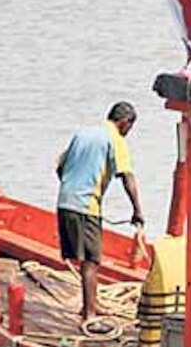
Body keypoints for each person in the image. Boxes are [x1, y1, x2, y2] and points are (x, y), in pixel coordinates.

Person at [55, 101, 145, 326]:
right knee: (91, 261)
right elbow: (127, 177)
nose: (128, 133)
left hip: (65, 201)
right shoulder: (115, 139)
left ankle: (88, 305)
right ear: (124, 122)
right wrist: (137, 210)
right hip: (86, 207)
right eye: (129, 128)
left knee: (84, 258)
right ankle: (89, 315)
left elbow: (59, 166)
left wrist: (72, 187)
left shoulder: (83, 133)